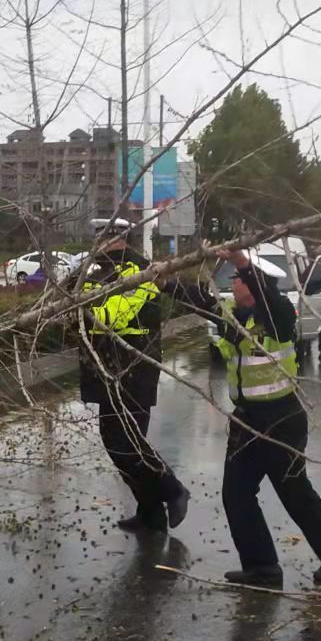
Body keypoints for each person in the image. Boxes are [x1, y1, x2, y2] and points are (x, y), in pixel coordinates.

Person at [209, 248, 321, 588]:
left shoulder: (279, 312)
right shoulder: (234, 314)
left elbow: (270, 301)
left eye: (237, 277)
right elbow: (199, 300)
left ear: (253, 283)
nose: (231, 282)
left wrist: (245, 263)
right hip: (245, 420)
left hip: (281, 418)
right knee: (236, 494)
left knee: (294, 491)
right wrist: (163, 279)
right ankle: (262, 567)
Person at [78, 227, 192, 533]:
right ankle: (151, 513)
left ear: (117, 240)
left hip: (133, 369)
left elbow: (112, 317)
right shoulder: (100, 272)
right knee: (116, 444)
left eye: (100, 239)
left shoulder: (139, 272)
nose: (95, 245)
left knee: (128, 444)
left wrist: (84, 309)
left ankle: (172, 488)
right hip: (106, 369)